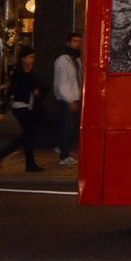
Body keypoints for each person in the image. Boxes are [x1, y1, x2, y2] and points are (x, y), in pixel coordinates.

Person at [0, 48, 43, 172]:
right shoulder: (18, 73)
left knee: (28, 135)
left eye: (33, 57)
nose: (32, 60)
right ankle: (28, 163)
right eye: (30, 57)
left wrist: (36, 90)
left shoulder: (30, 71)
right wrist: (2, 111)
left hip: (29, 105)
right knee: (29, 134)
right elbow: (10, 92)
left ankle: (4, 154)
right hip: (20, 106)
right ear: (23, 58)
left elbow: (33, 86)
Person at [53, 32, 83, 166]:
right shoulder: (63, 61)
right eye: (74, 41)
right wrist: (70, 99)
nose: (77, 44)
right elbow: (62, 83)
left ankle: (62, 147)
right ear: (68, 43)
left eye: (79, 41)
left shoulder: (75, 60)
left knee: (73, 126)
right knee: (68, 126)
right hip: (67, 98)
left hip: (74, 96)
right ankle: (63, 154)